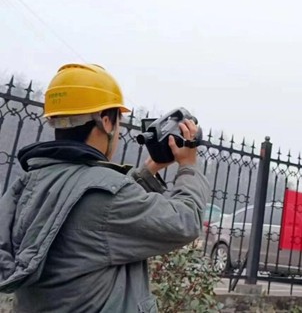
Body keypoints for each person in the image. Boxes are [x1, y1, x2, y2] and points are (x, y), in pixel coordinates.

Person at [0, 63, 210, 313]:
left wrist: (148, 171)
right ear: (107, 122)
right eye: (118, 121)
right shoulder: (104, 196)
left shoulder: (28, 184)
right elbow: (185, 221)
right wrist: (188, 165)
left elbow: (89, 205)